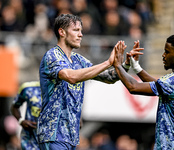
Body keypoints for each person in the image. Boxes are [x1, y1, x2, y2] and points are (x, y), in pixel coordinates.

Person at [37, 14, 129, 150]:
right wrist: (107, 62)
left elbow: (110, 78)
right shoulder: (52, 56)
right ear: (62, 32)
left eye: (81, 31)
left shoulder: (79, 60)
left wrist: (127, 64)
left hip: (71, 136)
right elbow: (71, 76)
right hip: (53, 134)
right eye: (76, 30)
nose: (81, 35)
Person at [113, 34, 174, 149]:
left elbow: (133, 87)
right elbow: (159, 85)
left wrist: (117, 64)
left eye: (167, 52)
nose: (163, 55)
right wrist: (137, 68)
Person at [10, 81, 42, 150]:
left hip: (54, 141)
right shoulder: (28, 88)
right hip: (31, 141)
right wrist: (21, 121)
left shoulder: (62, 88)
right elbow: (14, 106)